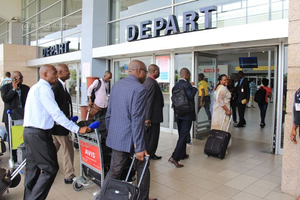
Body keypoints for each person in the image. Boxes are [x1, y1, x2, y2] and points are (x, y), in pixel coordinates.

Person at [23, 64, 91, 200]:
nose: (56, 75)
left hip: (29, 132)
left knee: (33, 169)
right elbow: (55, 113)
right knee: (50, 168)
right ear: (44, 74)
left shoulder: (36, 87)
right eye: (54, 73)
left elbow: (47, 114)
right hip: (39, 134)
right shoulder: (44, 88)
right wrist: (77, 129)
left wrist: (66, 121)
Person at [104, 60, 155, 200]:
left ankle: (104, 195)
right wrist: (139, 147)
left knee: (114, 170)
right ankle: (142, 198)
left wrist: (112, 134)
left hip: (117, 136)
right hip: (133, 139)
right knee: (143, 168)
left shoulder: (116, 85)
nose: (146, 75)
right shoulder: (139, 89)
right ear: (138, 71)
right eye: (145, 71)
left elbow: (109, 114)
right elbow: (137, 119)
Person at [51, 64, 76, 184]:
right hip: (60, 126)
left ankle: (45, 168)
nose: (69, 73)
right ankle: (69, 175)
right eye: (67, 71)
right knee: (68, 150)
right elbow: (53, 109)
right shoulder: (56, 87)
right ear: (60, 73)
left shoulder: (61, 86)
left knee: (52, 149)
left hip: (59, 125)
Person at [169, 68, 197, 168]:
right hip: (187, 114)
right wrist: (194, 87)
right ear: (187, 75)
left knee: (182, 134)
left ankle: (183, 154)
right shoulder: (187, 85)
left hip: (178, 113)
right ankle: (175, 157)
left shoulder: (175, 86)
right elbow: (190, 96)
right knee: (183, 136)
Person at [1, 71, 29, 161]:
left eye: (22, 77)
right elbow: (5, 99)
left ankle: (24, 155)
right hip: (11, 117)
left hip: (23, 116)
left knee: (23, 136)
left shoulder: (25, 88)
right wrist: (13, 89)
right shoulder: (5, 88)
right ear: (14, 79)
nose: (22, 79)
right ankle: (14, 157)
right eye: (20, 77)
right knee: (12, 137)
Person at [144, 64, 164, 160]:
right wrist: (147, 117)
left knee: (151, 136)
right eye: (158, 71)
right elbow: (149, 101)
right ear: (153, 71)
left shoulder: (149, 81)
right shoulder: (151, 83)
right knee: (153, 136)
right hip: (153, 116)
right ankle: (150, 153)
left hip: (153, 115)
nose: (159, 73)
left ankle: (150, 152)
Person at [211, 74, 232, 152]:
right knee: (223, 128)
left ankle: (216, 144)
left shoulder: (218, 88)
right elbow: (220, 100)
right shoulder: (223, 88)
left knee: (217, 129)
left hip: (217, 111)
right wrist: (227, 110)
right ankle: (222, 145)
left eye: (227, 80)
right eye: (224, 80)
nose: (226, 81)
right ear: (220, 81)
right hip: (222, 112)